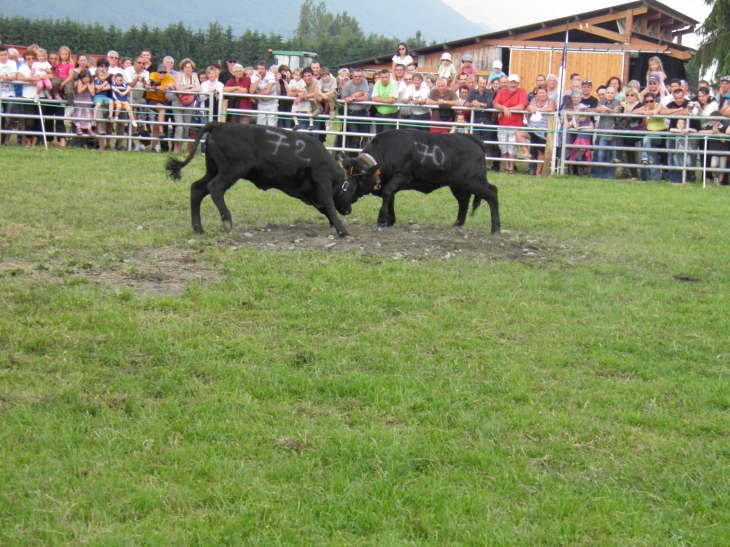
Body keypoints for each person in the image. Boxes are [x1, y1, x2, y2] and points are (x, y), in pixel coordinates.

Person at [517, 85, 555, 176]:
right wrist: (531, 108)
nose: (541, 94)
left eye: (543, 92)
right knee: (519, 133)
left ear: (546, 93)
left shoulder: (551, 101)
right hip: (532, 127)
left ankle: (538, 173)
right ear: (536, 94)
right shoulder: (534, 101)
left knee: (540, 152)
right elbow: (528, 107)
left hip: (543, 130)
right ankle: (526, 153)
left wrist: (537, 109)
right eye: (539, 93)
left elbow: (551, 109)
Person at [493, 74, 528, 173]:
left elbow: (521, 106)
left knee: (512, 146)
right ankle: (507, 166)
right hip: (503, 123)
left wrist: (507, 109)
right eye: (511, 82)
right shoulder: (501, 92)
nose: (513, 85)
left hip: (516, 124)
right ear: (508, 83)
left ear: (518, 84)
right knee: (503, 145)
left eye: (515, 83)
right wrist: (504, 108)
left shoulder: (522, 92)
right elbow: (495, 104)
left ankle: (512, 167)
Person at [590, 85, 622, 179]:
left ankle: (609, 176)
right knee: (600, 154)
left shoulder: (617, 102)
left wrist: (608, 109)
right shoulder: (601, 101)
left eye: (612, 93)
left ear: (615, 94)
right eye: (608, 92)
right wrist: (600, 109)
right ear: (605, 93)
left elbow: (617, 113)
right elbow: (597, 110)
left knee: (612, 156)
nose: (610, 95)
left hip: (613, 132)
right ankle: (599, 175)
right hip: (602, 131)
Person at [172, 58, 200, 152]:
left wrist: (186, 90)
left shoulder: (194, 75)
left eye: (190, 67)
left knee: (186, 127)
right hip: (178, 103)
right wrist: (190, 86)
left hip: (190, 103)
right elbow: (178, 88)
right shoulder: (178, 75)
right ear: (182, 68)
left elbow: (198, 88)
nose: (188, 69)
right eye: (186, 67)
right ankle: (176, 150)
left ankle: (180, 147)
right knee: (179, 126)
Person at [635, 92, 665, 181]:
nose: (649, 103)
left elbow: (656, 111)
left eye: (651, 101)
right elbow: (634, 111)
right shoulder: (646, 107)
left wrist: (650, 112)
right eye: (647, 101)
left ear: (655, 100)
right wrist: (644, 111)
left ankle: (644, 157)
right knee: (652, 155)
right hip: (649, 135)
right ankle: (654, 178)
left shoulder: (658, 105)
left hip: (659, 134)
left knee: (646, 138)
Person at [145, 63, 174, 151]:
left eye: (164, 72)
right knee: (162, 109)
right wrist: (151, 86)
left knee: (157, 125)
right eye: (160, 72)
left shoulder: (169, 77)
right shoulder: (153, 75)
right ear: (157, 72)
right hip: (152, 99)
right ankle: (161, 132)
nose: (162, 74)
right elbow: (149, 83)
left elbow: (170, 87)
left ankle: (154, 147)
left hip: (163, 100)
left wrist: (158, 88)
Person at [617, 87, 645, 181]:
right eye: (627, 95)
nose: (629, 97)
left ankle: (618, 156)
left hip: (636, 131)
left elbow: (634, 118)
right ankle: (634, 176)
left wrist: (627, 108)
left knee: (635, 153)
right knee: (630, 153)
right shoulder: (623, 105)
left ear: (636, 96)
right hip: (625, 131)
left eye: (632, 95)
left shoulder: (640, 105)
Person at [341, 67, 370, 154]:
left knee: (365, 136)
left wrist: (353, 97)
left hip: (362, 111)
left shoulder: (364, 81)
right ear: (352, 76)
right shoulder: (348, 85)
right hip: (351, 113)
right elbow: (344, 98)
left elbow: (366, 97)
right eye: (356, 76)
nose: (358, 78)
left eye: (359, 76)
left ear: (362, 76)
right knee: (354, 138)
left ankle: (363, 156)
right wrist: (356, 96)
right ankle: (353, 158)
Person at [16, 49, 40, 146]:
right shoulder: (23, 67)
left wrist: (39, 79)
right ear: (25, 60)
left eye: (32, 58)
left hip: (39, 96)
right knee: (29, 121)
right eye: (28, 58)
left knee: (38, 121)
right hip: (27, 96)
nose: (31, 60)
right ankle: (28, 142)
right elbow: (19, 77)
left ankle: (34, 143)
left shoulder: (39, 66)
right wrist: (31, 78)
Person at [466, 75, 495, 156]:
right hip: (475, 119)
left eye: (484, 83)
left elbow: (488, 104)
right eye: (480, 83)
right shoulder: (472, 92)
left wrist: (479, 104)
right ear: (477, 83)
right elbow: (466, 103)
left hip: (487, 120)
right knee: (475, 141)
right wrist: (472, 104)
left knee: (488, 143)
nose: (482, 85)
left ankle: (488, 163)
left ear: (486, 84)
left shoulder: (489, 92)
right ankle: (476, 161)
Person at [565, 107, 594, 176]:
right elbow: (575, 126)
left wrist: (581, 128)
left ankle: (583, 171)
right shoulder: (580, 122)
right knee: (578, 157)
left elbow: (591, 127)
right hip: (578, 141)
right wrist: (573, 117)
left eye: (583, 116)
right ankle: (581, 172)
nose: (582, 117)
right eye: (580, 116)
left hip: (585, 142)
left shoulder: (589, 122)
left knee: (578, 157)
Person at [250, 60, 278, 127]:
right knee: (260, 126)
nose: (260, 71)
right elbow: (251, 91)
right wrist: (258, 79)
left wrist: (257, 94)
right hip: (261, 103)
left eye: (262, 69)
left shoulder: (271, 75)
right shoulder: (254, 76)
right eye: (258, 69)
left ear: (266, 69)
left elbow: (267, 91)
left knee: (272, 126)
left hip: (272, 103)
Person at [371, 69, 399, 133]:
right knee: (379, 136)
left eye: (386, 77)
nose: (384, 79)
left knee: (388, 137)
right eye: (382, 77)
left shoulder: (394, 83)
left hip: (390, 115)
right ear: (380, 77)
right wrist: (387, 100)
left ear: (389, 77)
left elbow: (392, 100)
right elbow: (373, 99)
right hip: (379, 114)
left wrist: (379, 100)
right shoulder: (377, 83)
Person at [72, 68, 95, 136]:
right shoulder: (79, 81)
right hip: (79, 100)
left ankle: (89, 128)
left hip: (87, 100)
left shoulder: (91, 82)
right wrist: (85, 86)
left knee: (88, 114)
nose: (86, 78)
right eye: (85, 76)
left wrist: (88, 84)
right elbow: (79, 90)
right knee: (78, 113)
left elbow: (92, 92)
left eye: (88, 76)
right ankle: (78, 127)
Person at [276, 64, 293, 129]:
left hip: (290, 106)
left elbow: (289, 91)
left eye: (286, 72)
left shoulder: (293, 81)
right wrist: (277, 80)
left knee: (288, 126)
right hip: (281, 105)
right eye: (282, 73)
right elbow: (278, 93)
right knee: (280, 127)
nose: (284, 75)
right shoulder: (280, 81)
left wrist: (286, 81)